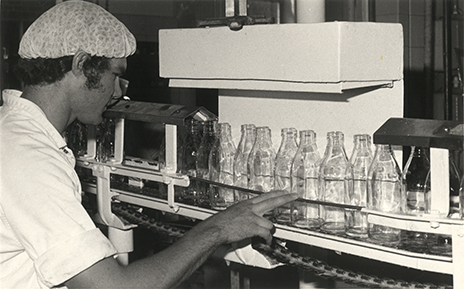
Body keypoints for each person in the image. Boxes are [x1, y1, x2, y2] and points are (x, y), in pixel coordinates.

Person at [0, 1, 297, 288]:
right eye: (115, 75)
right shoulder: (30, 156)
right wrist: (217, 228)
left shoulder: (14, 133)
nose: (118, 92)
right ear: (80, 64)